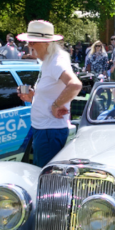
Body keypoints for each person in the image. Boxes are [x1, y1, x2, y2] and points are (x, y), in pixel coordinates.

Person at [16, 21, 82, 168]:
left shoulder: (56, 62)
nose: (29, 45)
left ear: (47, 43)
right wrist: (32, 96)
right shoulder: (49, 60)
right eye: (28, 41)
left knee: (47, 178)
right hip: (45, 130)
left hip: (49, 132)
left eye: (33, 42)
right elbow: (52, 91)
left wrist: (56, 105)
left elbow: (75, 84)